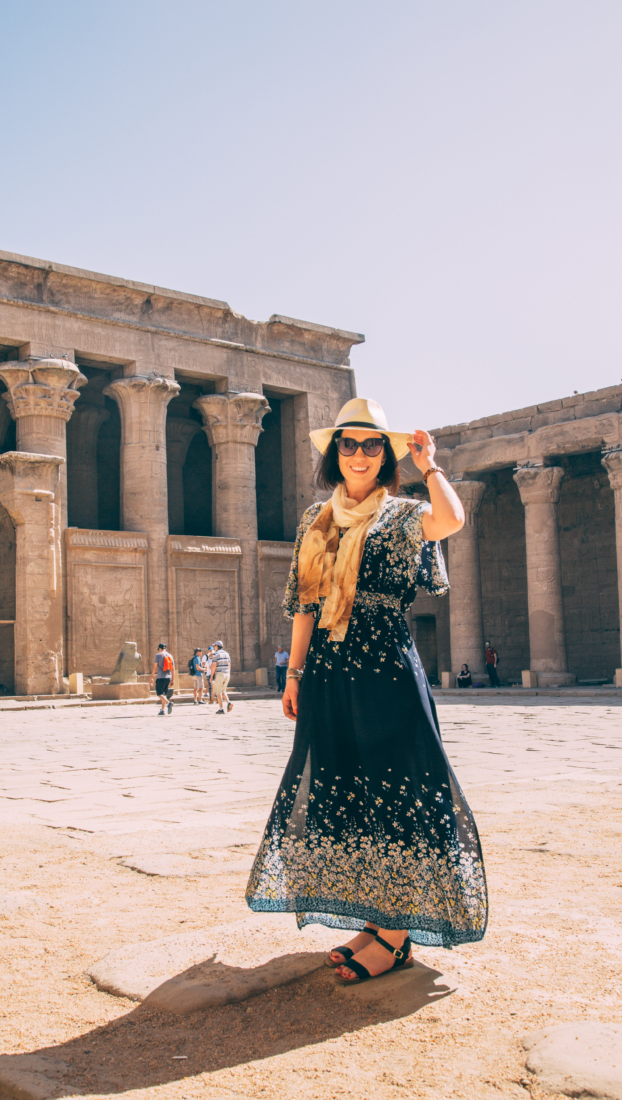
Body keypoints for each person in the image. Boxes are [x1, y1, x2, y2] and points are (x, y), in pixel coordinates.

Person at [246, 397, 488, 985]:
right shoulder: (316, 520)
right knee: (345, 786)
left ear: (387, 456)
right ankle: (376, 919)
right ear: (336, 454)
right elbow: (306, 602)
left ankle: (398, 935)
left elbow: (452, 520)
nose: (359, 454)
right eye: (348, 444)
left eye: (372, 445)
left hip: (384, 668)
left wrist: (429, 465)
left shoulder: (403, 514)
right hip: (328, 669)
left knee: (400, 786)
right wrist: (294, 673)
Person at [149, 643, 174, 716]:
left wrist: (151, 678)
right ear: (165, 648)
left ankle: (168, 703)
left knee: (159, 694)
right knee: (163, 694)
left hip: (160, 677)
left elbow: (154, 667)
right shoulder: (170, 655)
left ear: (159, 648)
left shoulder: (158, 655)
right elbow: (173, 668)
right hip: (168, 677)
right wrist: (173, 679)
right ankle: (162, 710)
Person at [211, 640, 233, 714]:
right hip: (227, 674)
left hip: (220, 674)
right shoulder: (227, 654)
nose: (214, 647)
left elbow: (214, 665)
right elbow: (229, 664)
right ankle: (229, 702)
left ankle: (221, 709)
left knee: (218, 692)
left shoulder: (216, 654)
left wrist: (211, 676)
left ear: (217, 646)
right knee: (223, 691)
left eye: (214, 646)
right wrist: (228, 673)